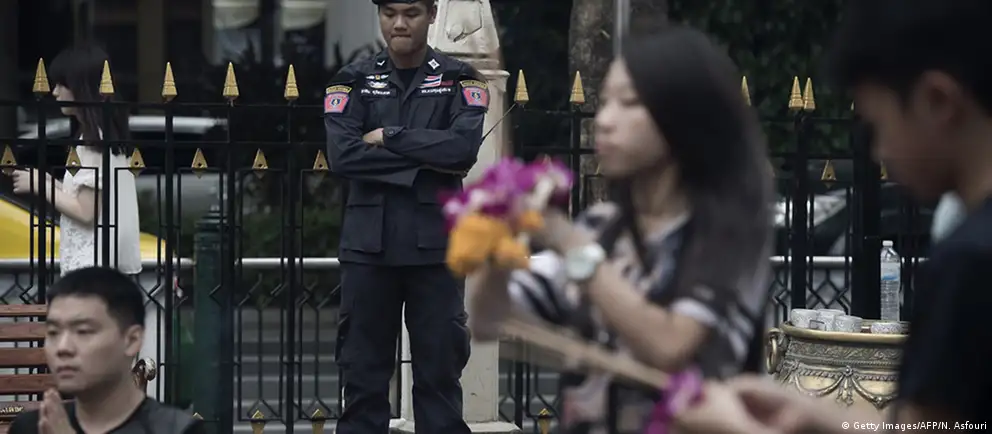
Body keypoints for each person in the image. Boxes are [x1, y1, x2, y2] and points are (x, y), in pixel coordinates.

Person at [675, 1, 992, 433]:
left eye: (877, 125)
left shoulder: (970, 263)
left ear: (937, 102)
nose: (878, 152)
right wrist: (821, 417)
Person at [466, 26, 774, 434]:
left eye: (629, 103)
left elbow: (669, 346)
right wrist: (500, 240)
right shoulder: (602, 227)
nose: (604, 121)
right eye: (605, 102)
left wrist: (567, 241)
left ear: (683, 119)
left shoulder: (728, 234)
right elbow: (487, 319)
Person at [322, 0, 488, 432]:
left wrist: (389, 136)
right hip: (368, 249)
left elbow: (461, 150)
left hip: (436, 250)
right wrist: (423, 163)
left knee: (439, 381)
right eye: (389, 12)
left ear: (432, 14)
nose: (399, 23)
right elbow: (344, 156)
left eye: (411, 12)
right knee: (362, 380)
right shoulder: (352, 80)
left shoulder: (460, 79)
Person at [7, 267, 203, 434]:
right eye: (53, 332)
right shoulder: (35, 427)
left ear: (132, 340)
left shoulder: (176, 430)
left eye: (83, 331)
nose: (63, 347)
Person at [8, 43, 141, 277]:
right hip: (97, 262)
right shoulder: (103, 135)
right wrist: (47, 181)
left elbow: (86, 211)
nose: (55, 92)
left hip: (89, 267)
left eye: (62, 84)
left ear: (81, 87)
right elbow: (86, 195)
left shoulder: (93, 141)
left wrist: (39, 185)